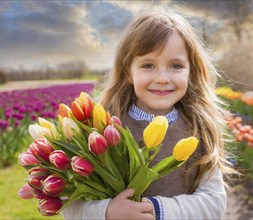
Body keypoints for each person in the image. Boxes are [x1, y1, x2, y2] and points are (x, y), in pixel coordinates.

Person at [61, 10, 235, 220]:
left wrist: (157, 209)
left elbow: (214, 202)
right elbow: (69, 202)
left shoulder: (199, 128)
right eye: (148, 66)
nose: (162, 78)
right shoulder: (103, 127)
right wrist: (106, 212)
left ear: (191, 71)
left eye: (176, 66)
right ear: (128, 72)